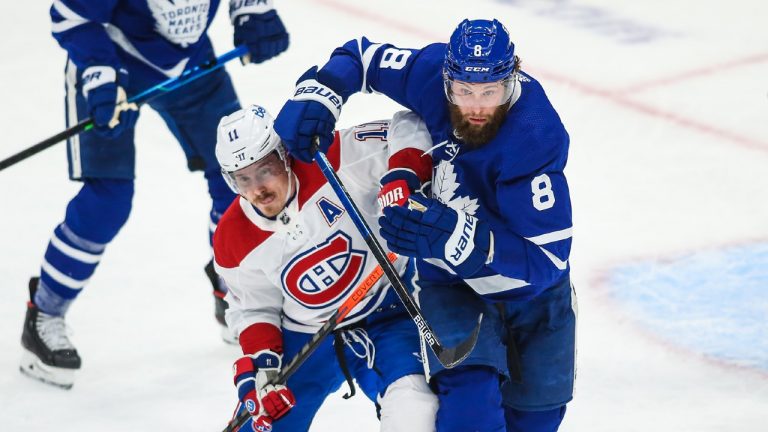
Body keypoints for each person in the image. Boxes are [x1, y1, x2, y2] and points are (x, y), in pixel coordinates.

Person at [272, 18, 576, 432]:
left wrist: (460, 238)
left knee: (534, 422)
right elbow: (360, 56)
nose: (477, 106)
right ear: (447, 79)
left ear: (512, 78)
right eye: (463, 91)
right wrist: (321, 93)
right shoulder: (430, 73)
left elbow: (547, 262)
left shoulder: (535, 135)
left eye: (491, 92)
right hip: (450, 286)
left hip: (529, 297)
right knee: (469, 414)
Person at [19, 0, 289, 389]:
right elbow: (71, 13)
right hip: (115, 62)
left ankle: (237, 292)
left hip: (193, 63)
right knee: (107, 201)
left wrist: (251, 10)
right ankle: (44, 314)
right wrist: (100, 75)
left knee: (237, 180)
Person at [213, 105, 438, 431]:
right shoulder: (232, 237)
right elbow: (253, 307)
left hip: (385, 311)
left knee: (415, 411)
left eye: (264, 170)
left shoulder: (335, 157)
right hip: (304, 337)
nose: (256, 190)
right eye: (242, 179)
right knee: (264, 421)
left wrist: (407, 175)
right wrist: (262, 367)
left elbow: (408, 124)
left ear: (284, 154)